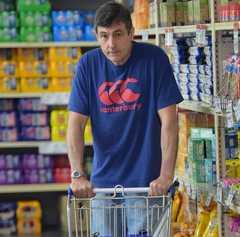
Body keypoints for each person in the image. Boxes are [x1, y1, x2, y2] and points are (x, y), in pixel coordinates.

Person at [67, 1, 183, 236]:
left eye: (118, 34)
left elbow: (170, 121)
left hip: (147, 185)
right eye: (104, 36)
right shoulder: (88, 65)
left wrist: (165, 176)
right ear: (96, 36)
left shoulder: (154, 59)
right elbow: (75, 124)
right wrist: (78, 174)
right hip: (102, 185)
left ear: (131, 33)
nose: (111, 44)